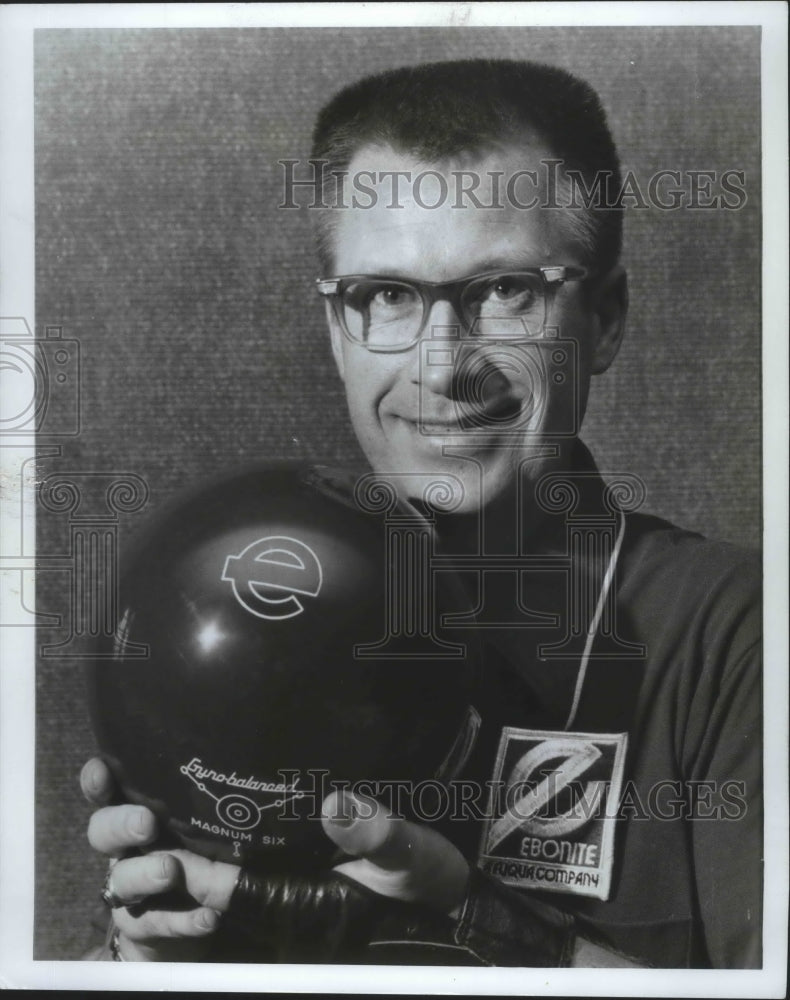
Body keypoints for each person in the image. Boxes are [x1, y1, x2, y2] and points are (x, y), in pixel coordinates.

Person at [80, 59, 762, 968]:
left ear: (604, 319)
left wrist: (460, 924)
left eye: (504, 290)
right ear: (337, 330)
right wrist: (146, 960)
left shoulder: (737, 637)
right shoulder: (235, 616)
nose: (443, 368)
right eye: (387, 297)